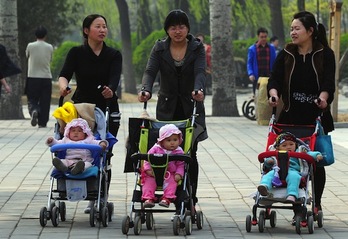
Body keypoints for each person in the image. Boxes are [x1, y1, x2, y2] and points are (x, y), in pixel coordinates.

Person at [267, 11, 336, 216]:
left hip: (315, 117)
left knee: (316, 162)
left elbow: (328, 83)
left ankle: (316, 204)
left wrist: (323, 99)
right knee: (284, 159)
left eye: (297, 28)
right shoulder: (287, 53)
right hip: (289, 117)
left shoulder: (325, 54)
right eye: (291, 29)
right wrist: (273, 94)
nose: (293, 32)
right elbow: (275, 79)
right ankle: (284, 196)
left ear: (310, 31)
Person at [138, 9, 208, 209]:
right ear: (167, 30)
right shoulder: (159, 48)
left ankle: (190, 198)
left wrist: (199, 89)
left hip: (192, 106)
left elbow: (200, 71)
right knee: (164, 153)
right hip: (166, 107)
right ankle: (162, 192)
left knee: (189, 154)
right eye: (173, 27)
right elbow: (150, 71)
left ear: (188, 28)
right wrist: (146, 90)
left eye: (181, 26)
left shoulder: (196, 48)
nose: (178, 31)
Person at [58, 14, 122, 213]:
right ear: (86, 31)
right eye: (98, 26)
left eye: (105, 26)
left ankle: (99, 197)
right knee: (77, 150)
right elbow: (64, 74)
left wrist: (110, 90)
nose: (103, 30)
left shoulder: (113, 54)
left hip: (106, 108)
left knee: (104, 154)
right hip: (81, 110)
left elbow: (114, 78)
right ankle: (72, 188)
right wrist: (63, 87)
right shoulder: (76, 52)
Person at [257, 132, 323, 203]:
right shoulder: (275, 153)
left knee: (294, 177)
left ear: (295, 145)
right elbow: (268, 160)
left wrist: (317, 155)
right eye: (284, 145)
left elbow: (309, 153)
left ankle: (292, 194)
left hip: (293, 171)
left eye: (291, 144)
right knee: (268, 176)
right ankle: (264, 187)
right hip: (277, 171)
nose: (288, 147)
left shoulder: (299, 151)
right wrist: (269, 161)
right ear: (278, 147)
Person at [142, 124, 185, 208]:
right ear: (162, 141)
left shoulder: (179, 151)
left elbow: (180, 164)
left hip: (170, 174)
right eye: (168, 140)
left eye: (175, 140)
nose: (172, 143)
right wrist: (148, 169)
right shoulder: (155, 149)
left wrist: (179, 174)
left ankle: (167, 198)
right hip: (153, 173)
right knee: (148, 183)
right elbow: (147, 159)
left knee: (172, 183)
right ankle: (148, 198)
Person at [25, 26, 54, 128]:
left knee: (32, 98)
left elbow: (27, 56)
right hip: (46, 77)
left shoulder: (30, 46)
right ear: (45, 36)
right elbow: (50, 59)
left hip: (32, 76)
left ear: (35, 35)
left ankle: (34, 110)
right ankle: (43, 122)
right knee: (45, 100)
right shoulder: (50, 47)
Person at [247, 27, 277, 96]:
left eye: (265, 37)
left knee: (269, 95)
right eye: (262, 37)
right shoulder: (252, 49)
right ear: (258, 37)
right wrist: (251, 73)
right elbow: (249, 63)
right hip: (257, 77)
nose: (264, 39)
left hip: (269, 76)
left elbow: (275, 62)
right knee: (257, 96)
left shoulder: (271, 48)